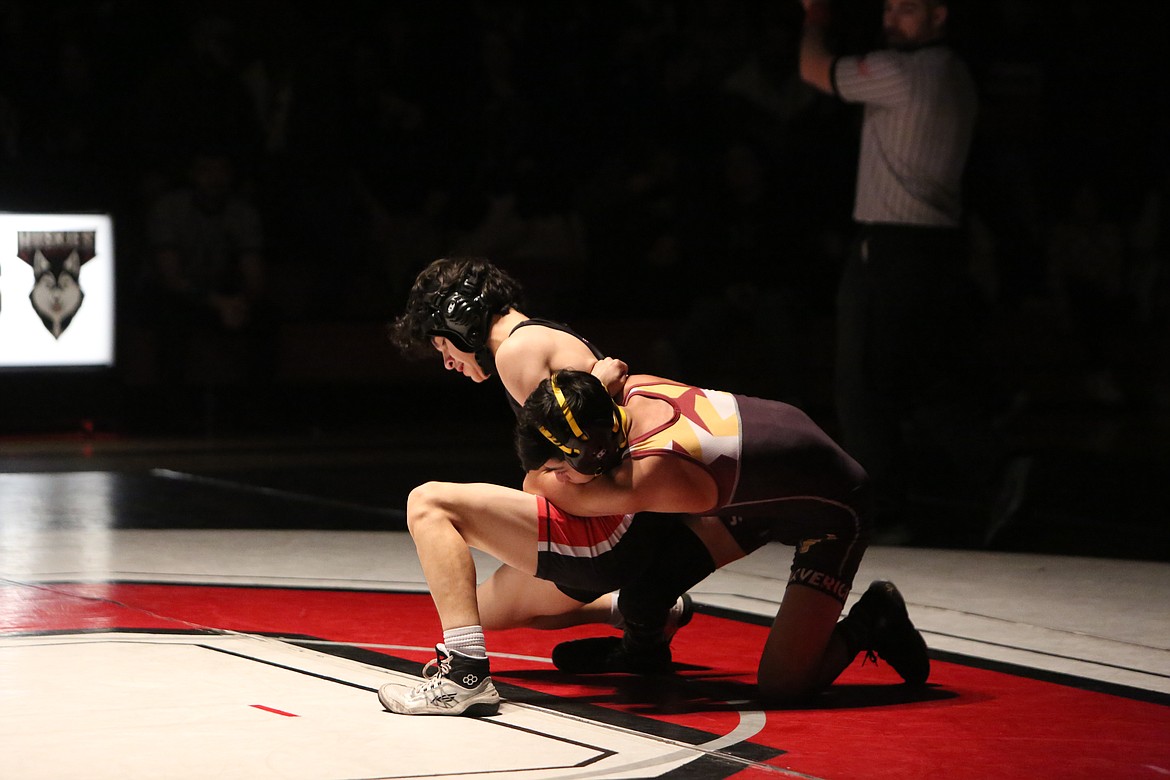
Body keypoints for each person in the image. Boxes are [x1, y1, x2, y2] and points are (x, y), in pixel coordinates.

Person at [377, 366, 930, 716]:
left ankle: (873, 617)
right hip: (760, 492)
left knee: (784, 687)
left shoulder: (660, 470)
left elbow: (550, 491)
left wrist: (555, 479)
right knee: (647, 594)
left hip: (829, 511)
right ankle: (640, 640)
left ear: (593, 459)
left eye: (562, 467)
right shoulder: (628, 395)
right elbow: (606, 377)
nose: (555, 477)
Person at [384, 258, 693, 700]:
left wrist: (537, 481)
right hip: (633, 524)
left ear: (460, 317)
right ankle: (642, 608)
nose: (448, 362)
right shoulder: (540, 335)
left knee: (428, 503)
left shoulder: (517, 352)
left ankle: (464, 679)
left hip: (612, 529)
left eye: (440, 346)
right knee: (480, 610)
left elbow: (574, 469)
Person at [797, 0, 1030, 543]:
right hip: (939, 246)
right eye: (888, 7)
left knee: (863, 383)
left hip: (893, 243)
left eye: (905, 9)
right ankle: (995, 464)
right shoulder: (957, 76)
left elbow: (813, 69)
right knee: (917, 377)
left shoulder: (900, 72)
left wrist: (814, 18)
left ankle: (887, 514)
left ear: (939, 14)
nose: (889, 18)